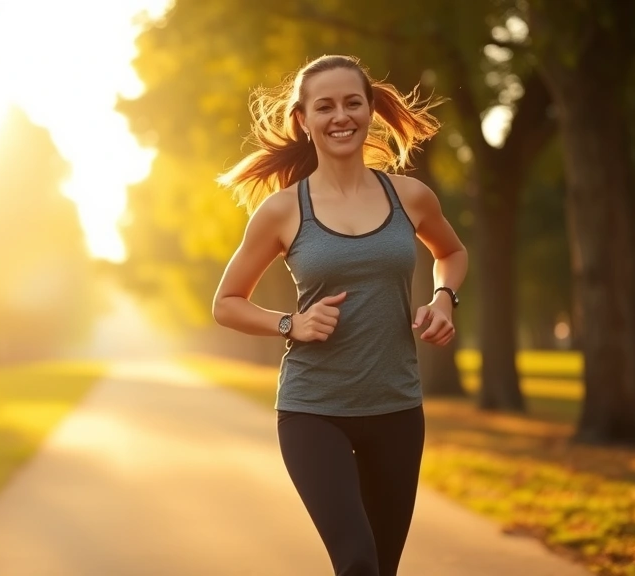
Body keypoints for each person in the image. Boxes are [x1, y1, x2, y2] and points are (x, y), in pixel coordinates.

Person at [211, 54, 468, 576]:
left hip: (396, 406)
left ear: (370, 111)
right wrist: (291, 323)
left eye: (352, 102)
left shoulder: (411, 197)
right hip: (314, 410)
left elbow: (452, 253)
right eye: (324, 106)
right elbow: (226, 303)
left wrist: (444, 298)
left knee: (382, 567)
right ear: (303, 121)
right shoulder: (284, 210)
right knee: (356, 561)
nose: (340, 116)